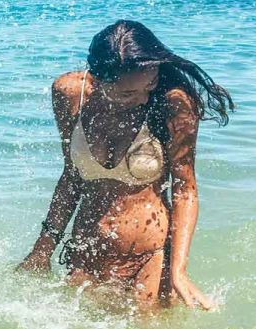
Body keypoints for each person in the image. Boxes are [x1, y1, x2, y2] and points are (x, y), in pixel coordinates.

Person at [18, 20, 233, 310]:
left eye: (150, 85)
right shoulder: (69, 93)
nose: (143, 98)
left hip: (149, 260)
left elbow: (185, 191)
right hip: (85, 254)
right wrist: (43, 248)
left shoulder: (175, 105)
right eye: (127, 94)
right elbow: (71, 177)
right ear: (97, 79)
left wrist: (179, 271)